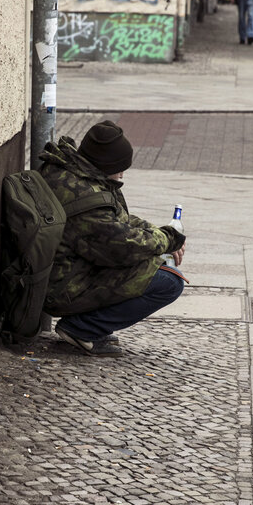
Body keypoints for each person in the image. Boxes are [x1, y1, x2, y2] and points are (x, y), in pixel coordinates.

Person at [39, 121, 186, 356]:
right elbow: (122, 247)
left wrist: (161, 233)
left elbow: (118, 220)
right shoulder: (86, 198)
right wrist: (166, 240)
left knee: (158, 263)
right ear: (103, 163)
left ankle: (86, 323)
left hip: (63, 271)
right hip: (62, 288)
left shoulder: (73, 173)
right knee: (169, 281)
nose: (122, 172)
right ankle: (81, 327)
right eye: (119, 167)